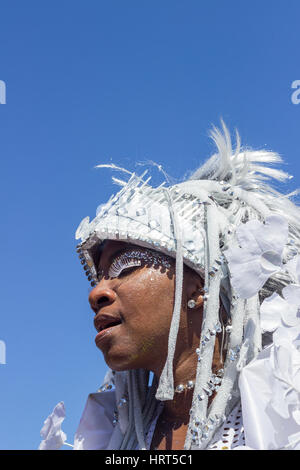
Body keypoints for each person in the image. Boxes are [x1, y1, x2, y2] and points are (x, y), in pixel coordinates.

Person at [64, 122, 300, 450]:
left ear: (201, 286)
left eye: (125, 267)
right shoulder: (109, 440)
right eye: (99, 276)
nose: (96, 293)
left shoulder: (285, 415)